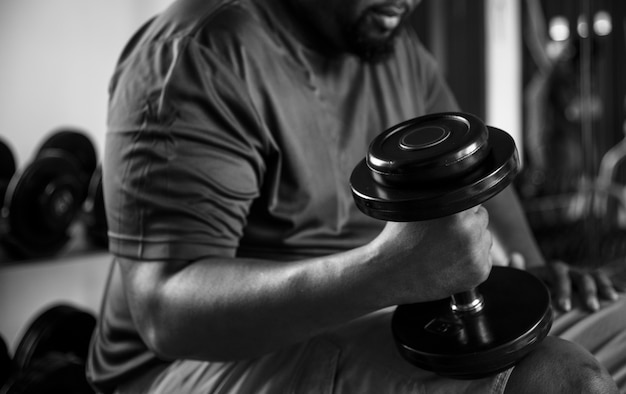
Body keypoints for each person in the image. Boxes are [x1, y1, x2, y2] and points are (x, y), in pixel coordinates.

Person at [87, 0, 623, 392]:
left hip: (371, 310)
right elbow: (164, 314)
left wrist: (530, 272)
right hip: (178, 369)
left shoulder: (389, 41)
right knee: (566, 382)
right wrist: (383, 272)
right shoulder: (198, 54)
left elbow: (471, 169)